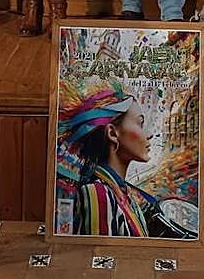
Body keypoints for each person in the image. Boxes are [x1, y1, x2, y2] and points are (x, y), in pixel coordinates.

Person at [58, 79, 156, 237]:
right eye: (140, 123)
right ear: (112, 133)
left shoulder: (126, 195)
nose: (149, 134)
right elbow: (100, 256)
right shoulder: (99, 193)